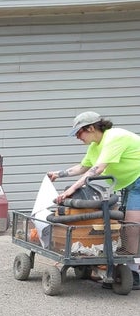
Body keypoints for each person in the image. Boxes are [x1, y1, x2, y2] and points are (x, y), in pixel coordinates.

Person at [47, 111, 140, 290]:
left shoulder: (114, 137)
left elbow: (96, 170)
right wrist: (58, 174)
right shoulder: (95, 146)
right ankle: (123, 269)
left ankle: (134, 272)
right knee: (123, 223)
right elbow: (84, 167)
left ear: (90, 128)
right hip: (130, 183)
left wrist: (71, 190)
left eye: (78, 133)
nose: (77, 137)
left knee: (132, 226)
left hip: (138, 180)